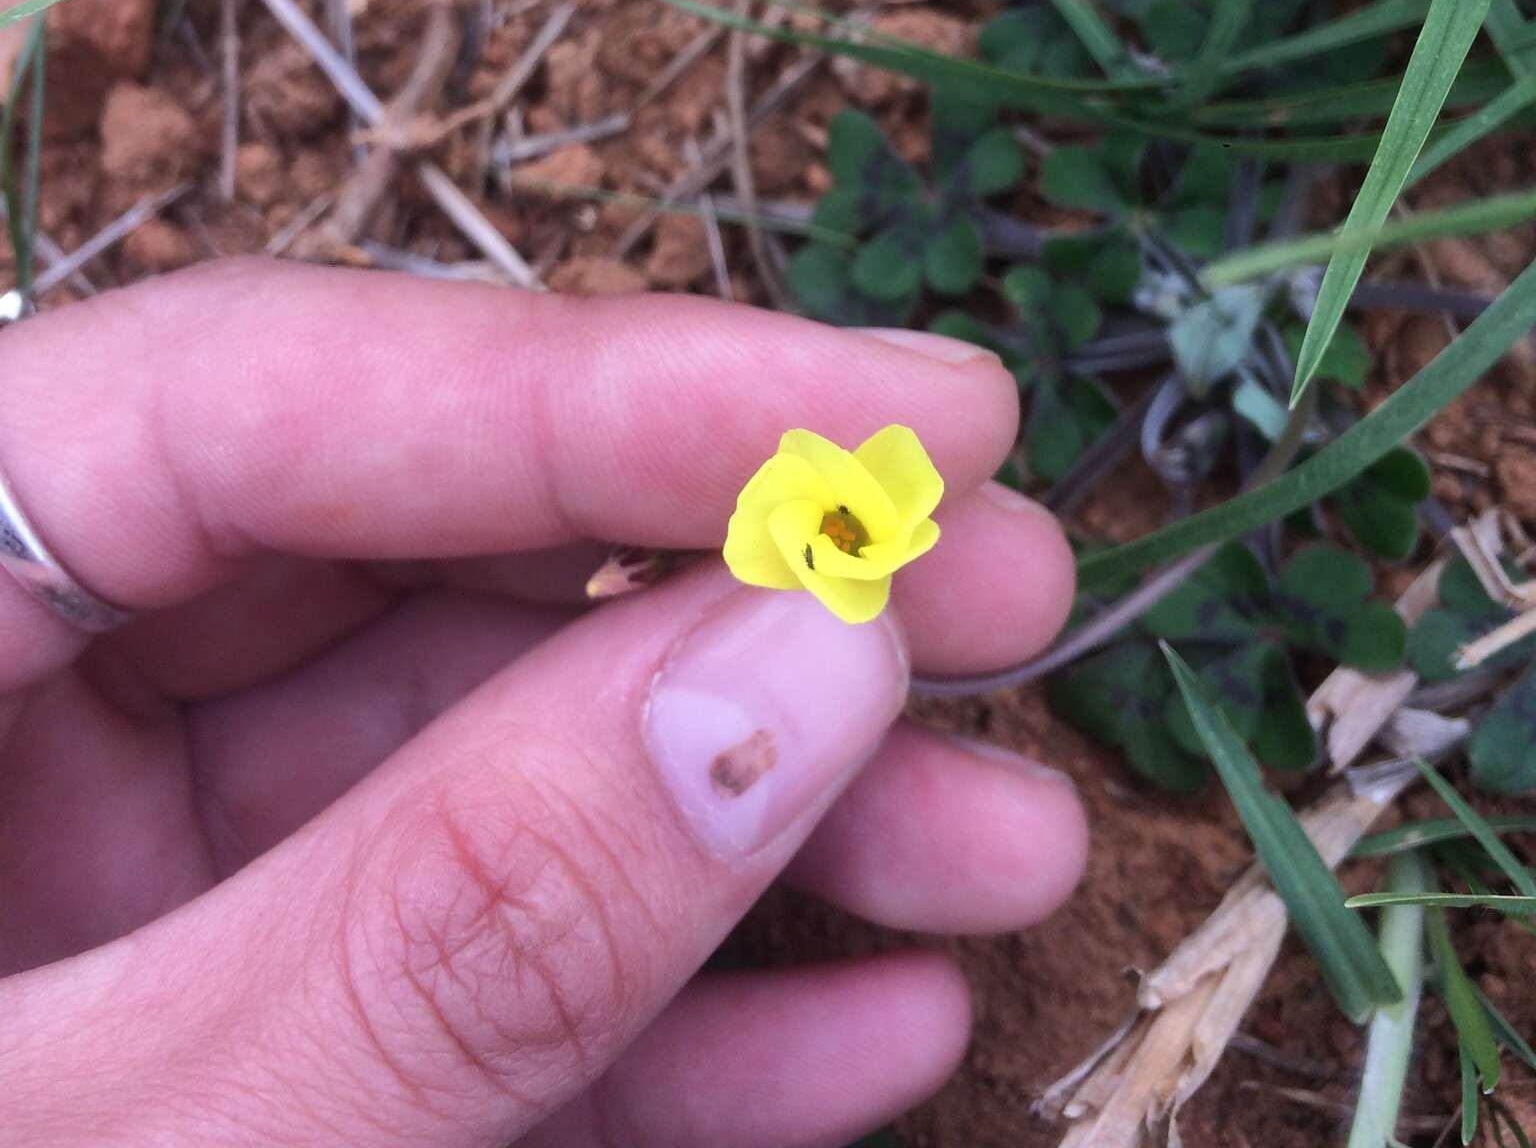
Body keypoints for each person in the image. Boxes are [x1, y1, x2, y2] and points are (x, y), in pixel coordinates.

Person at [0, 259, 1087, 1145]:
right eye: (842, 535)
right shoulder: (798, 518)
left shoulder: (855, 510)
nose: (846, 541)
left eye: (852, 537)